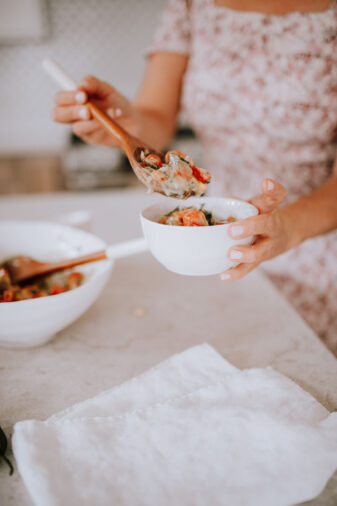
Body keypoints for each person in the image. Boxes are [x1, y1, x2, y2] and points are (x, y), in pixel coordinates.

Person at [51, 0, 337, 353]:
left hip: (315, 248)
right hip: (215, 245)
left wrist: (287, 227)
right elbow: (154, 119)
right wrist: (123, 124)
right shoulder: (190, 4)